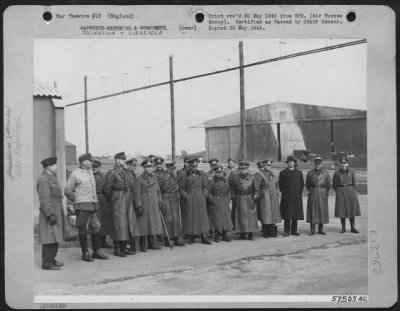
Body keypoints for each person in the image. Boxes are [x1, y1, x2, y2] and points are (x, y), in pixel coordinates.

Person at [65, 153, 109, 262]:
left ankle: (96, 251)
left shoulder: (89, 172)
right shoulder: (75, 174)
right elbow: (67, 190)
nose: (91, 163)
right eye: (90, 161)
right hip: (82, 205)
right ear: (84, 162)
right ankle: (85, 253)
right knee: (83, 228)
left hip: (93, 204)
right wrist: (76, 199)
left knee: (97, 226)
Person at [103, 152, 138, 257]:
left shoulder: (126, 172)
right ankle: (117, 248)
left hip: (127, 198)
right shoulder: (112, 173)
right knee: (118, 224)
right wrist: (112, 199)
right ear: (117, 160)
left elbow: (132, 184)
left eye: (124, 160)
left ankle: (124, 247)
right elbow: (106, 188)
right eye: (122, 160)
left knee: (126, 224)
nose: (123, 161)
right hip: (117, 198)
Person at [36, 157, 64, 270]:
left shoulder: (51, 178)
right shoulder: (43, 179)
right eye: (54, 165)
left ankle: (52, 259)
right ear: (48, 167)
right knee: (49, 237)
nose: (56, 167)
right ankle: (46, 262)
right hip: (49, 211)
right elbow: (44, 199)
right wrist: (50, 213)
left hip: (56, 210)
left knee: (55, 236)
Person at [178, 157, 211, 244]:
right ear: (189, 166)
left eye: (195, 166)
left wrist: (204, 196)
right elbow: (181, 188)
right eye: (192, 166)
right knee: (191, 217)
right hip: (190, 198)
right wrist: (186, 197)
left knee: (202, 217)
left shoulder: (202, 174)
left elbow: (206, 187)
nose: (194, 168)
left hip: (200, 198)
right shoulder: (184, 175)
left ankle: (204, 236)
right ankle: (192, 236)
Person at [135, 159, 164, 251]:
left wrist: (159, 201)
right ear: (144, 168)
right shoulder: (139, 179)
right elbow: (137, 193)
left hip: (154, 203)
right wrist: (138, 205)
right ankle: (143, 244)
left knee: (153, 223)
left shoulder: (154, 178)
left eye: (151, 167)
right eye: (148, 167)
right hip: (144, 203)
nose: (150, 169)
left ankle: (152, 243)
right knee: (144, 224)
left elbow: (158, 191)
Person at [156, 159, 185, 246]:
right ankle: (168, 238)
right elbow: (159, 190)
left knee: (175, 219)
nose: (172, 170)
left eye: (173, 168)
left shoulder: (174, 176)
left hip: (174, 198)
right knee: (168, 219)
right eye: (171, 168)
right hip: (166, 198)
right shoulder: (162, 177)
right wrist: (160, 200)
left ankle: (176, 237)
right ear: (167, 168)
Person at [229, 160, 260, 240]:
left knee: (250, 217)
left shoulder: (252, 177)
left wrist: (254, 197)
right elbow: (231, 188)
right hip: (239, 198)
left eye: (245, 169)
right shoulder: (235, 177)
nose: (243, 170)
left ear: (247, 169)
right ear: (239, 169)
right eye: (241, 169)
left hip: (249, 198)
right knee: (240, 216)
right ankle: (242, 233)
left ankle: (250, 233)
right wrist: (233, 196)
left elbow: (256, 190)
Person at [254, 159, 281, 238]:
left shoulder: (273, 175)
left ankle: (272, 230)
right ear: (264, 166)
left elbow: (276, 186)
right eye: (266, 165)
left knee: (273, 213)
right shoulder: (260, 175)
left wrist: (277, 193)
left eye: (269, 165)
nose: (268, 167)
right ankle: (265, 231)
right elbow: (257, 187)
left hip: (273, 197)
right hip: (264, 196)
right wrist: (259, 195)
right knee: (265, 213)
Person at [332, 157, 361, 233]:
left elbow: (354, 183)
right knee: (342, 210)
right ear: (340, 164)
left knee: (352, 210)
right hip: (341, 191)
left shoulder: (352, 172)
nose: (343, 165)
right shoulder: (337, 173)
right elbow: (334, 184)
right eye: (342, 163)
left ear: (348, 164)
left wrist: (353, 191)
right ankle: (343, 228)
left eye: (345, 163)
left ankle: (353, 227)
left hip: (350, 191)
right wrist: (339, 191)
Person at [279, 156, 305, 237]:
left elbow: (301, 184)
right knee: (287, 214)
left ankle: (294, 230)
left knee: (295, 214)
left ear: (294, 163)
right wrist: (286, 193)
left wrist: (298, 193)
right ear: (287, 163)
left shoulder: (299, 173)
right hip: (287, 196)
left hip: (296, 196)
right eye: (289, 162)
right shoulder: (283, 173)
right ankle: (286, 231)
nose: (291, 163)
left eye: (292, 162)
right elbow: (281, 186)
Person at [206, 165, 233, 242]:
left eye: (220, 172)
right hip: (215, 201)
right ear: (214, 172)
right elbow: (208, 192)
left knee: (225, 219)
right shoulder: (211, 182)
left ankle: (225, 235)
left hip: (224, 201)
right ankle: (217, 235)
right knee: (217, 219)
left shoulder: (225, 181)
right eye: (217, 172)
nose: (219, 174)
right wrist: (213, 200)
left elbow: (229, 191)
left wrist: (228, 199)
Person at [306, 156, 331, 235]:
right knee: (312, 210)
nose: (317, 165)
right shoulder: (310, 173)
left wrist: (325, 192)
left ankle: (320, 229)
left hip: (322, 192)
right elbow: (307, 184)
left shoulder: (326, 173)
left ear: (321, 163)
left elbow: (328, 184)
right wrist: (311, 190)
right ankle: (312, 230)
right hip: (313, 192)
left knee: (321, 210)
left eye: (319, 163)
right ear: (314, 164)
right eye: (316, 163)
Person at [92, 159, 113, 248]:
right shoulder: (89, 176)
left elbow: (107, 187)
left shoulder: (103, 176)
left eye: (96, 167)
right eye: (93, 167)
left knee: (104, 220)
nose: (94, 169)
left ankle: (103, 241)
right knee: (95, 220)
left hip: (102, 197)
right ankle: (96, 243)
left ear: (100, 167)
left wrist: (107, 197)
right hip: (92, 197)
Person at [125, 157, 141, 253]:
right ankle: (129, 245)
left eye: (135, 165)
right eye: (132, 165)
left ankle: (132, 245)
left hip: (132, 199)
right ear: (128, 165)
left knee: (132, 224)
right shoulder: (127, 174)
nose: (133, 167)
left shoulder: (133, 174)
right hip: (128, 199)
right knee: (129, 223)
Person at [205, 158, 219, 238]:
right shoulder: (207, 174)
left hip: (219, 197)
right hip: (210, 197)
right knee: (210, 215)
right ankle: (211, 230)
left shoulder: (221, 173)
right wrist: (210, 198)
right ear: (210, 165)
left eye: (215, 164)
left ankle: (219, 230)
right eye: (212, 165)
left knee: (219, 215)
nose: (214, 166)